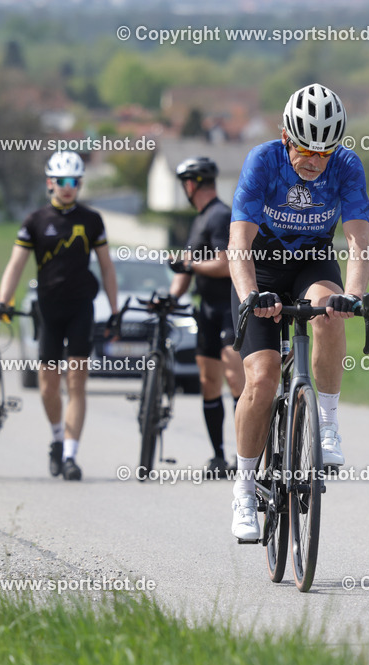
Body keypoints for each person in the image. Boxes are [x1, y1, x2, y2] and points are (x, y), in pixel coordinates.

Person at [227, 83, 369, 541]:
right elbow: (239, 243)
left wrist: (352, 294)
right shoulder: (262, 161)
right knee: (264, 376)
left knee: (328, 311)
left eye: (323, 152)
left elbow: (357, 240)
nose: (313, 160)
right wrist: (251, 296)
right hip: (261, 268)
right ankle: (245, 489)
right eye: (304, 149)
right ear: (286, 137)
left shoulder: (347, 167)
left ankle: (327, 424)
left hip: (310, 261)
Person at [0, 150, 119, 481]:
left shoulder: (92, 220)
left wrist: (115, 310)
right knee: (48, 386)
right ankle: (58, 439)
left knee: (76, 381)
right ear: (50, 183)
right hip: (47, 308)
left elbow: (106, 267)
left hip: (81, 308)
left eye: (74, 181)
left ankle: (72, 456)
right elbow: (15, 265)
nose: (68, 187)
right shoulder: (35, 221)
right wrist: (4, 300)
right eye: (62, 181)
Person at [167, 156, 245, 476]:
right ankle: (218, 457)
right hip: (207, 311)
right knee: (208, 382)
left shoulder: (221, 216)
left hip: (229, 308)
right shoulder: (198, 221)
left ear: (193, 183)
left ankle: (246, 457)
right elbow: (187, 265)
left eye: (185, 182)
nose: (184, 188)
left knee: (234, 380)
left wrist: (191, 266)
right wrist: (169, 299)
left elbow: (226, 263)